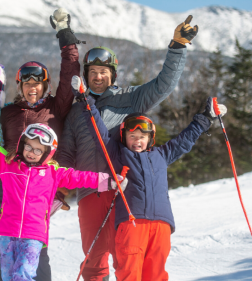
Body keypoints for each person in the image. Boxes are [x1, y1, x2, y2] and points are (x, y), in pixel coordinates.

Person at [56, 16, 198, 280]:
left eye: (104, 72)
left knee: (128, 260)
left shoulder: (129, 99)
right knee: (93, 260)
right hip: (90, 192)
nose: (98, 77)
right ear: (86, 75)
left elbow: (163, 86)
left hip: (126, 193)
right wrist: (61, 189)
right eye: (93, 72)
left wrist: (178, 46)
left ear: (113, 75)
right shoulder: (76, 113)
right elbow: (65, 153)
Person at [0, 103, 128, 281]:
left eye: (38, 150)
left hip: (33, 235)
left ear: (47, 154)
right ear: (22, 144)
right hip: (7, 231)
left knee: (23, 275)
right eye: (29, 146)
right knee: (7, 276)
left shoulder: (53, 173)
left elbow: (80, 177)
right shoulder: (8, 164)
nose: (31, 152)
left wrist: (110, 181)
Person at [72, 80, 227, 280]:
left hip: (162, 225)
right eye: (132, 135)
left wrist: (206, 118)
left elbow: (185, 140)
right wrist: (86, 100)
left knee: (156, 274)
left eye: (142, 136)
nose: (137, 140)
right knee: (130, 272)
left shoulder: (162, 154)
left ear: (150, 138)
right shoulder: (117, 154)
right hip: (131, 223)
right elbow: (98, 130)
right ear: (124, 137)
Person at [0, 8, 82, 280]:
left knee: (35, 252)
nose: (32, 87)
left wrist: (65, 33)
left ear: (45, 85)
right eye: (26, 82)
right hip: (0, 185)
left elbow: (70, 70)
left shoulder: (56, 107)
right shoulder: (7, 113)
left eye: (38, 82)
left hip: (36, 189)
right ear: (19, 85)